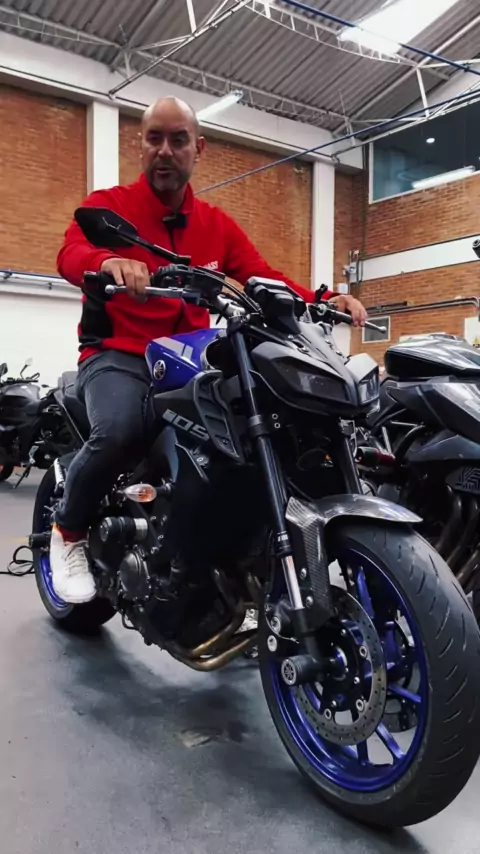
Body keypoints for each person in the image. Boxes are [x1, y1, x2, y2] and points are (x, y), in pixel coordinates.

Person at [50, 96, 367, 604]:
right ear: (140, 144)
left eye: (178, 140)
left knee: (250, 433)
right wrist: (107, 262)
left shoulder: (216, 224)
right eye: (155, 138)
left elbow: (262, 276)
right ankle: (68, 533)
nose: (165, 150)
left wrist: (322, 300)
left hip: (191, 359)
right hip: (120, 354)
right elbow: (71, 253)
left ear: (198, 148)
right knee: (119, 431)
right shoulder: (112, 207)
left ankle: (222, 553)